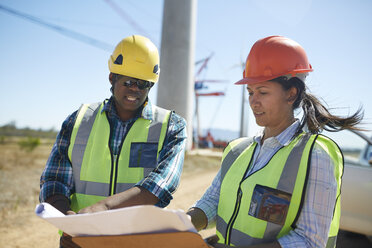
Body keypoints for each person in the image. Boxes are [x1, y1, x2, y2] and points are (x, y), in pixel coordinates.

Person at [187, 35, 364, 248]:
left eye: (262, 92)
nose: (253, 101)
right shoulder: (237, 150)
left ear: (291, 94)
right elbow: (212, 203)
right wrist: (180, 224)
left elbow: (309, 240)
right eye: (250, 92)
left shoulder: (314, 157)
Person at [39, 35, 187, 247]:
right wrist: (70, 221)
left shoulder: (171, 127)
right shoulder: (79, 120)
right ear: (111, 78)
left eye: (143, 84)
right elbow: (54, 179)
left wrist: (105, 208)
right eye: (128, 81)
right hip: (80, 241)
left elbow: (161, 184)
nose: (135, 89)